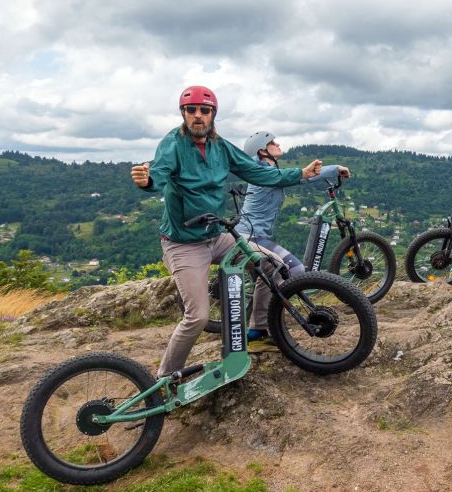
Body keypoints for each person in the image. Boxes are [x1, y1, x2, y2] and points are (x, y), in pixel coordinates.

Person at [130, 86, 325, 377]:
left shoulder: (220, 146)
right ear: (183, 113)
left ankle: (258, 330)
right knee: (197, 317)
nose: (198, 116)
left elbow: (257, 171)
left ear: (212, 115)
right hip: (183, 244)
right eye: (191, 110)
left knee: (272, 265)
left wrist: (300, 174)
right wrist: (146, 180)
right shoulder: (172, 144)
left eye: (204, 111)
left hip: (215, 236)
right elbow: (159, 173)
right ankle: (165, 380)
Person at [235, 131, 351, 342]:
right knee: (294, 270)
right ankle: (272, 324)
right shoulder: (264, 173)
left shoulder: (266, 170)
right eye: (272, 143)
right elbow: (302, 178)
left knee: (270, 276)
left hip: (255, 236)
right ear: (262, 151)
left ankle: (259, 328)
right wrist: (335, 169)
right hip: (250, 237)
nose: (278, 144)